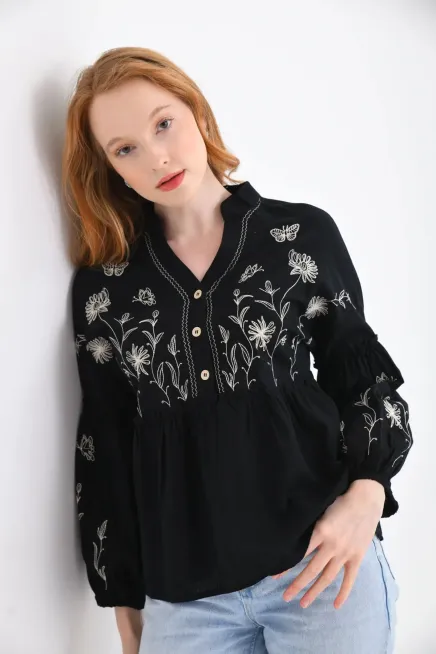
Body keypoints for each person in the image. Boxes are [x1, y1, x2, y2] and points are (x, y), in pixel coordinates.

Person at [63, 46, 413, 654]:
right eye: (125, 149)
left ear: (197, 113)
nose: (157, 156)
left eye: (163, 124)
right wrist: (122, 596)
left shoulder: (298, 236)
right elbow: (106, 442)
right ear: (111, 169)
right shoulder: (104, 291)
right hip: (184, 599)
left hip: (323, 566)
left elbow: (360, 376)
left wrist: (366, 495)